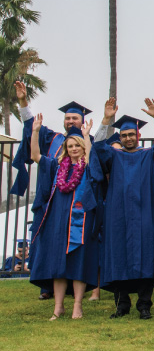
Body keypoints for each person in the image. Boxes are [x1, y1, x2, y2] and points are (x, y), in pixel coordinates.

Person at [90, 104, 154, 320]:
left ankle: (144, 305)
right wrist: (106, 120)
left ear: (138, 135)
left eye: (132, 134)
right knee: (119, 257)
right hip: (118, 216)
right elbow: (97, 146)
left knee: (146, 257)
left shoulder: (149, 155)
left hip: (145, 214)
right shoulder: (113, 156)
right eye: (125, 135)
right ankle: (122, 305)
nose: (128, 138)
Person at [27, 114, 100, 321]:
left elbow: (92, 158)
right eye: (70, 146)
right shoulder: (56, 167)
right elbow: (35, 156)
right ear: (66, 149)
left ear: (82, 147)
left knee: (77, 263)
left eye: (77, 146)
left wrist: (86, 136)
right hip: (57, 222)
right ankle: (58, 307)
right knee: (58, 265)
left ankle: (77, 306)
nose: (73, 149)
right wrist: (34, 132)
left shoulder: (87, 168)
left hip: (80, 222)